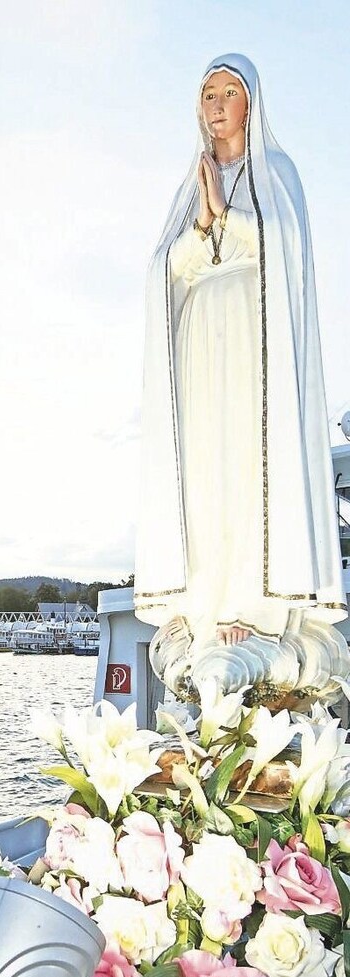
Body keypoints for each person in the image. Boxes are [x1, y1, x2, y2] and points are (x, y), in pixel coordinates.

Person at [133, 53, 346, 660]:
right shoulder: (188, 185)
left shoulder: (277, 172)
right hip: (201, 340)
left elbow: (288, 255)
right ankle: (202, 599)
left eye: (229, 92)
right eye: (208, 94)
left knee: (249, 460)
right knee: (203, 464)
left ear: (251, 104)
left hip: (257, 348)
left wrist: (228, 216)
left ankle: (251, 605)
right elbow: (165, 271)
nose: (217, 104)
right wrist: (200, 228)